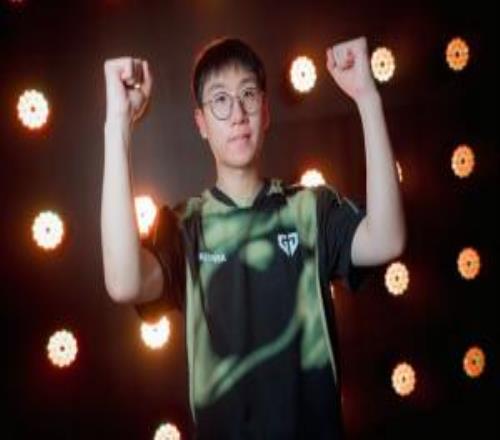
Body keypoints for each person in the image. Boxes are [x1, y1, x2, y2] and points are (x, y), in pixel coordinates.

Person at [101, 36, 406, 439]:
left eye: (248, 94)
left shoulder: (309, 210)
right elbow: (124, 283)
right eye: (220, 100)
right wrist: (118, 125)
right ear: (201, 123)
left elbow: (387, 240)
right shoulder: (184, 227)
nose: (237, 113)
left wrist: (367, 97)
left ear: (265, 112)